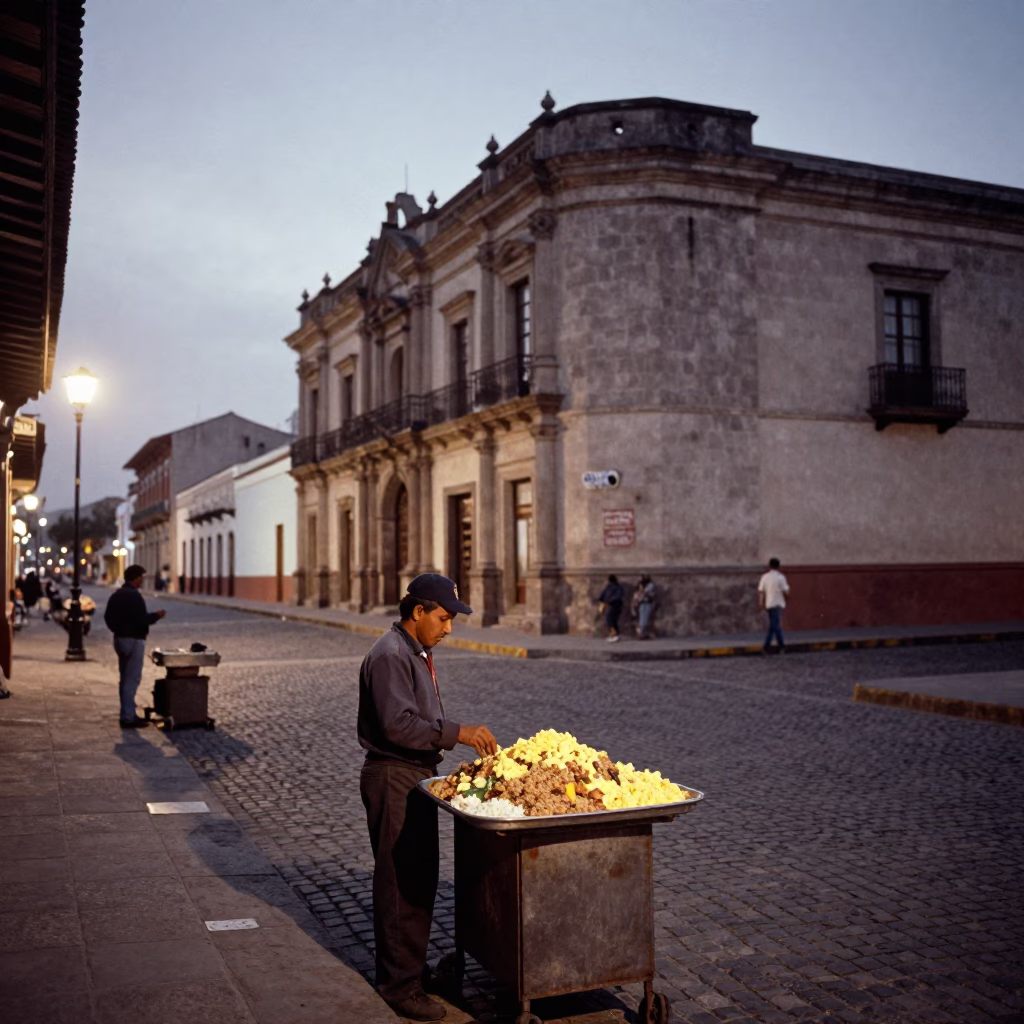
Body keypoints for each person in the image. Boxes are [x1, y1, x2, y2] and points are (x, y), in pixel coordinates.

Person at [358, 573, 497, 1022]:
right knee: (401, 883)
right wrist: (458, 733)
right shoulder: (390, 655)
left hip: (415, 773)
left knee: (419, 879)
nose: (449, 627)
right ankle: (399, 987)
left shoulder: (414, 650)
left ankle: (411, 974)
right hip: (392, 776)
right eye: (443, 617)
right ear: (417, 611)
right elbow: (398, 725)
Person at [103, 564, 166, 727]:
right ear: (136, 579)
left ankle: (127, 712)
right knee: (131, 679)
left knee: (124, 678)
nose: (142, 581)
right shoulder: (135, 597)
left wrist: (117, 630)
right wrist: (157, 616)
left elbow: (108, 617)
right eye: (141, 578)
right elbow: (142, 620)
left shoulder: (116, 595)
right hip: (134, 640)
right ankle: (128, 717)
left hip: (120, 640)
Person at [758, 557, 790, 654]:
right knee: (775, 626)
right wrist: (787, 598)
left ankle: (767, 647)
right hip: (778, 603)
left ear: (769, 565)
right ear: (778, 566)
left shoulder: (765, 577)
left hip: (769, 604)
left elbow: (761, 591)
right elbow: (786, 592)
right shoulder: (781, 577)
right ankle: (780, 646)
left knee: (773, 626)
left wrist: (760, 603)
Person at [597, 574, 625, 642]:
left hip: (614, 605)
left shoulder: (615, 587)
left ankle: (614, 634)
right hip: (613, 604)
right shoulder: (613, 587)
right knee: (613, 619)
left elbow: (617, 597)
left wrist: (607, 600)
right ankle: (616, 634)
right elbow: (603, 595)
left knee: (610, 618)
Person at [632, 574, 658, 639]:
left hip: (646, 603)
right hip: (641, 604)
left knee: (644, 619)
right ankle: (641, 633)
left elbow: (647, 593)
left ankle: (642, 633)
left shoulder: (650, 585)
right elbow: (637, 595)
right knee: (641, 619)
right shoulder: (641, 586)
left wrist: (642, 593)